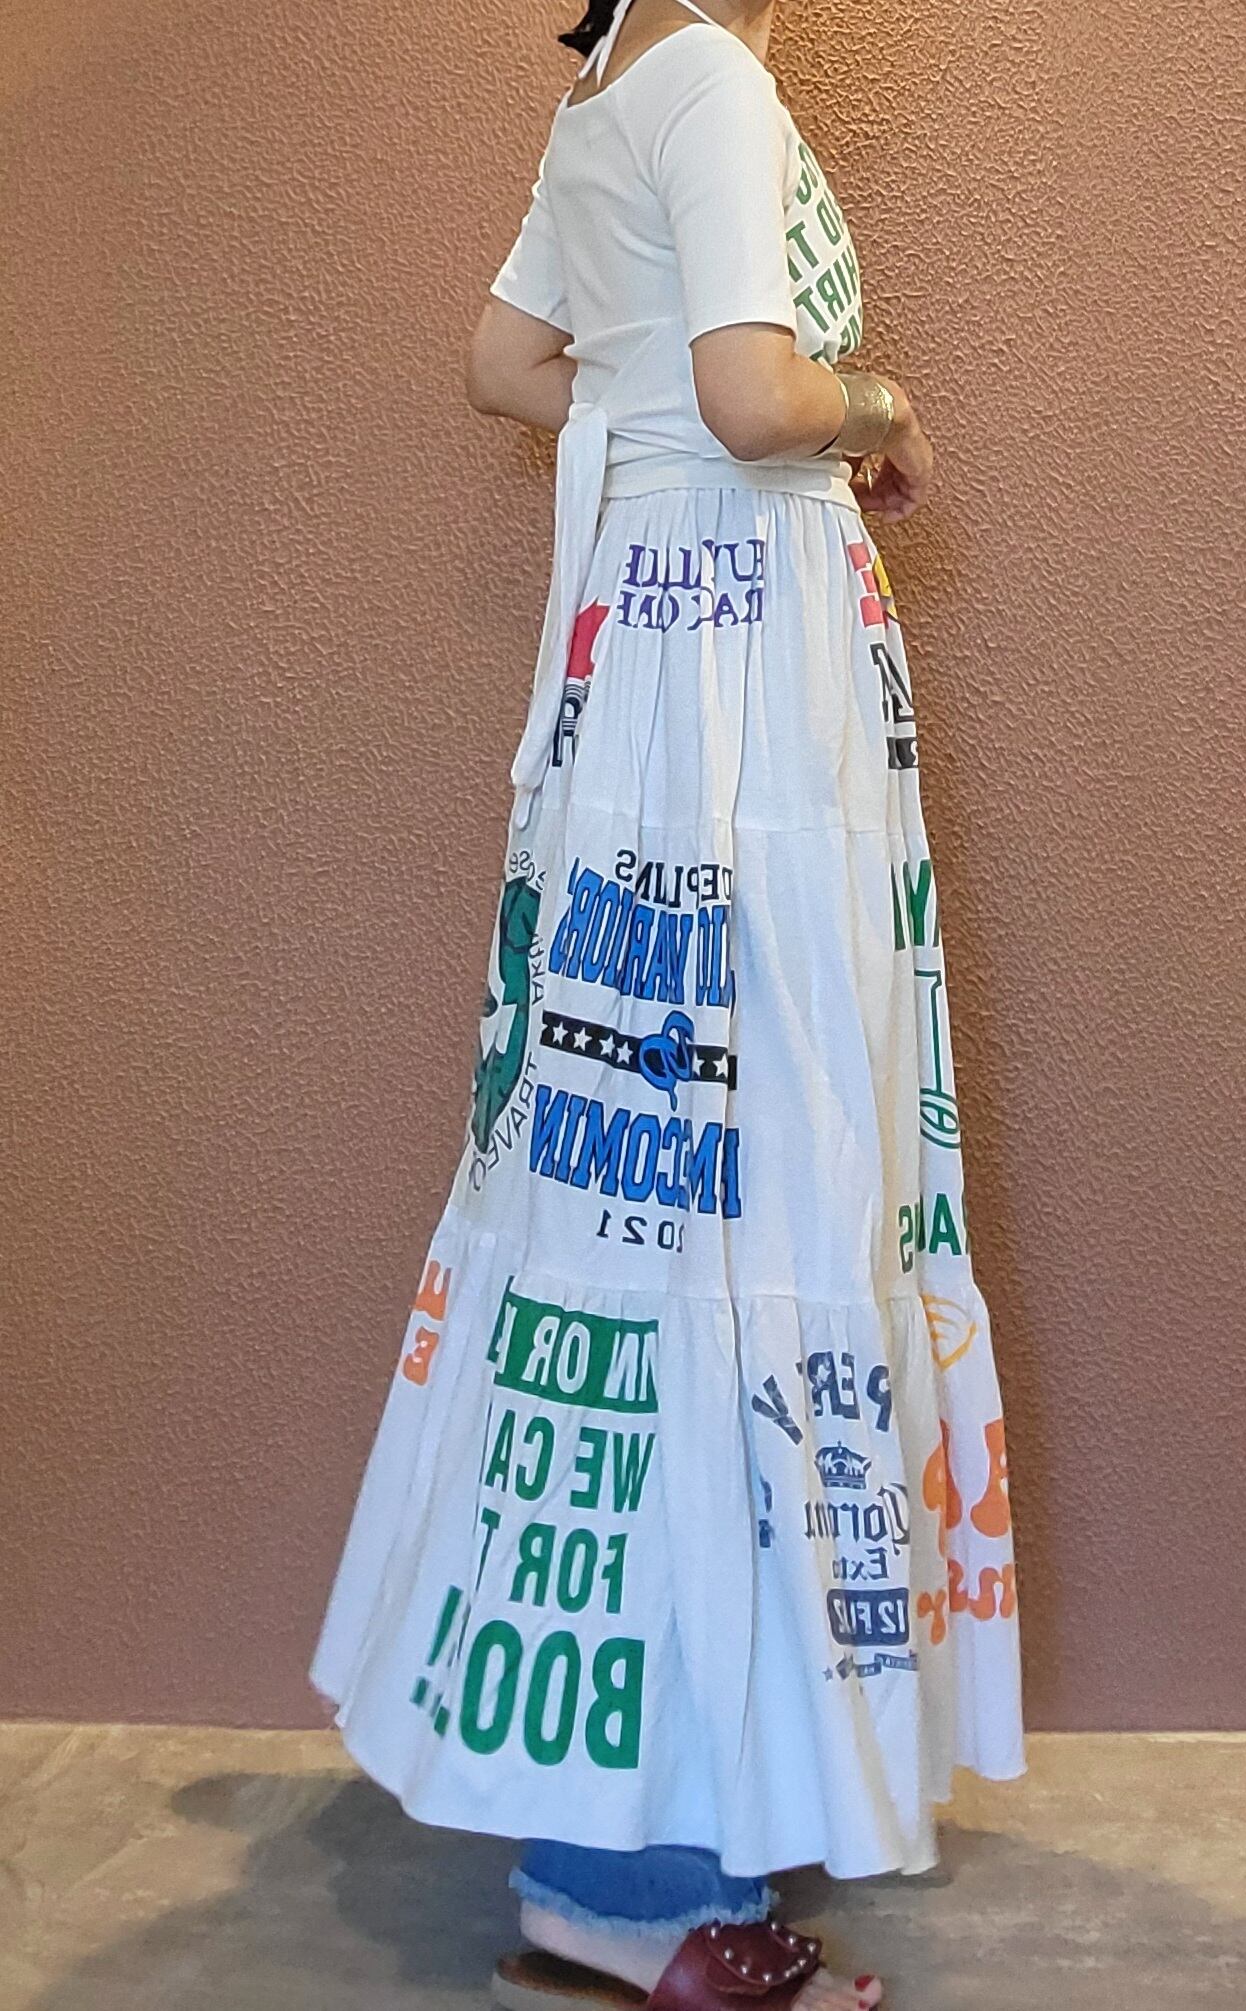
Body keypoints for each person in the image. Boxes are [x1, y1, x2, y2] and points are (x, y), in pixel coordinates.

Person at [309, 3, 1026, 2007]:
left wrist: (665, 416)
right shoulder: (714, 77)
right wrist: (876, 404)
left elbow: (506, 359)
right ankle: (653, 1890)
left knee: (635, 1218)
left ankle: (600, 1855)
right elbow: (748, 391)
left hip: (641, 694)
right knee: (745, 1204)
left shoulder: (610, 88)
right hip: (736, 718)